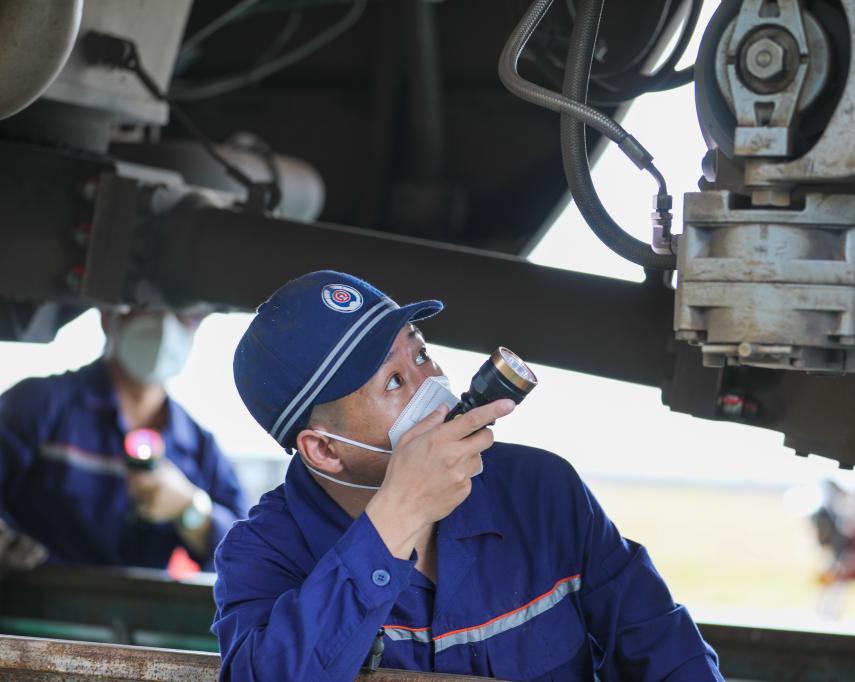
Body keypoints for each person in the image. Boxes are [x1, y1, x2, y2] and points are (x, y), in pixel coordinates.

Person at [215, 270, 724, 681]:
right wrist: (399, 513)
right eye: (394, 381)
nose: (432, 383)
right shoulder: (263, 554)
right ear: (325, 450)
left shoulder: (543, 493)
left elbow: (666, 650)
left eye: (421, 354)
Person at [0, 309, 248, 571]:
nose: (164, 326)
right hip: (38, 593)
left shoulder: (197, 446)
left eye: (180, 311)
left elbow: (249, 555)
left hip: (143, 597)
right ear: (108, 316)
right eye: (146, 305)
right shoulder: (40, 405)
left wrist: (190, 508)